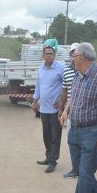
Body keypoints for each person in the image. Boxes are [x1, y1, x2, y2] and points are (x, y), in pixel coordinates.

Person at [59, 43, 97, 193]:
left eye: (74, 56)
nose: (71, 59)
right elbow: (74, 98)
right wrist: (66, 111)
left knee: (86, 170)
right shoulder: (77, 76)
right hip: (75, 130)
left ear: (82, 57)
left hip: (93, 131)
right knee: (81, 170)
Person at [32, 38, 65, 173]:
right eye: (46, 54)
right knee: (46, 135)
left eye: (51, 54)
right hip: (44, 109)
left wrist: (62, 101)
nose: (48, 56)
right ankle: (48, 156)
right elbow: (38, 86)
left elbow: (68, 86)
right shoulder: (41, 69)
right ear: (43, 56)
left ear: (54, 55)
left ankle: (53, 161)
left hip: (55, 109)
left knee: (55, 136)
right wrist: (35, 101)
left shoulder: (61, 68)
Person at [58, 43, 79, 178]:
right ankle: (75, 169)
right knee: (72, 142)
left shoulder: (86, 70)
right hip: (71, 111)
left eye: (76, 53)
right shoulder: (66, 71)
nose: (74, 55)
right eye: (72, 53)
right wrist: (61, 109)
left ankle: (83, 170)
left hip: (85, 112)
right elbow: (64, 91)